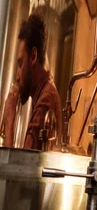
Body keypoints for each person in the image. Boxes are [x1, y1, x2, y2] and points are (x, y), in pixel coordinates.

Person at [1, 13, 62, 150]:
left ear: (33, 56)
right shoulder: (44, 93)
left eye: (20, 63)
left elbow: (19, 169)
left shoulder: (46, 100)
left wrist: (10, 122)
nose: (17, 76)